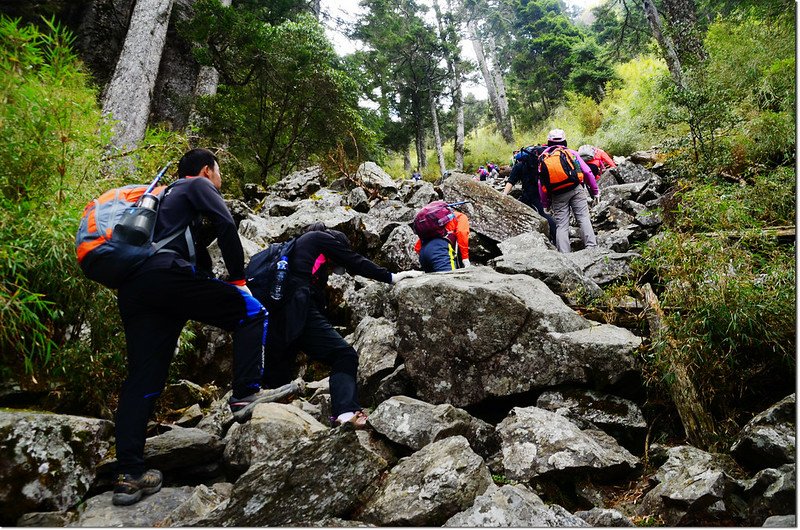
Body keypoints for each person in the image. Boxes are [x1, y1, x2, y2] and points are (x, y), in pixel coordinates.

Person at [112, 148, 280, 506]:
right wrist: (238, 280)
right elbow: (226, 224)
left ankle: (128, 474)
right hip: (169, 279)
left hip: (136, 288)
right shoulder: (195, 185)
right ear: (207, 170)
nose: (219, 181)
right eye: (218, 173)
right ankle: (246, 393)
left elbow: (198, 257)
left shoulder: (163, 200)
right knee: (253, 313)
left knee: (144, 379)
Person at [249, 223, 421, 429]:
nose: (332, 269)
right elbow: (355, 261)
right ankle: (346, 413)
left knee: (280, 371)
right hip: (297, 307)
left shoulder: (296, 253)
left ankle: (269, 419)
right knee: (343, 355)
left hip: (274, 313)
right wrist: (391, 277)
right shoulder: (319, 238)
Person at [538, 129, 599, 253]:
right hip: (576, 189)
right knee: (583, 218)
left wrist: (545, 204)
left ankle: (565, 255)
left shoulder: (543, 157)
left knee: (562, 225)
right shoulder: (571, 153)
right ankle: (591, 247)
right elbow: (587, 171)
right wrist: (595, 191)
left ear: (548, 142)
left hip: (557, 195)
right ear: (564, 140)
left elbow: (541, 183)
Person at [503, 145, 557, 244]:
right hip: (544, 196)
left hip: (529, 196)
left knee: (540, 216)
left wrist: (504, 195)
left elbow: (511, 181)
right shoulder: (542, 163)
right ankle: (557, 238)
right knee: (544, 215)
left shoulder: (519, 166)